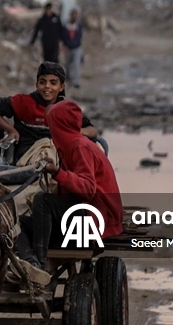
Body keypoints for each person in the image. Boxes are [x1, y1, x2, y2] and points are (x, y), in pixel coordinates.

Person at [14, 101, 124, 269]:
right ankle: (31, 263)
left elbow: (88, 190)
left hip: (98, 216)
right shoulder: (69, 146)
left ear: (60, 126)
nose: (50, 130)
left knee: (43, 200)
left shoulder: (80, 146)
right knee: (16, 222)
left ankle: (41, 264)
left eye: (52, 125)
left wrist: (57, 172)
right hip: (84, 210)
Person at [0, 61, 99, 165]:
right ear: (36, 85)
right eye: (42, 82)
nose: (47, 86)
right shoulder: (24, 102)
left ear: (61, 87)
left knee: (97, 145)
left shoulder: (67, 109)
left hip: (58, 155)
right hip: (27, 156)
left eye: (53, 83)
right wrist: (10, 130)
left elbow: (93, 131)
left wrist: (74, 131)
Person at [60, 8, 84, 87]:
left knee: (76, 64)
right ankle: (68, 79)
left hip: (76, 48)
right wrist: (67, 44)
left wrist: (74, 44)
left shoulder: (79, 26)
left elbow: (79, 37)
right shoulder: (66, 25)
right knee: (68, 64)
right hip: (68, 48)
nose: (75, 17)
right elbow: (64, 36)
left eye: (76, 15)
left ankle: (76, 81)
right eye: (73, 15)